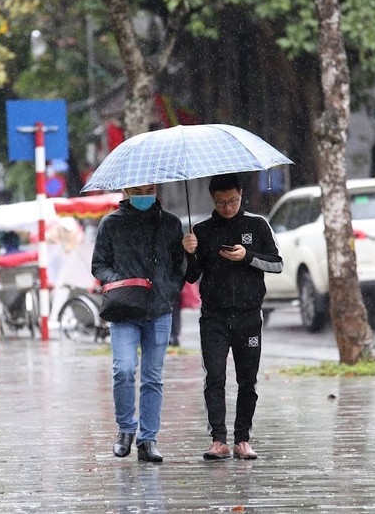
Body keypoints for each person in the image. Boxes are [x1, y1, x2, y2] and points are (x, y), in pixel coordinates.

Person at [182, 173, 283, 461]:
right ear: (212, 199)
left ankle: (243, 439)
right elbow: (191, 278)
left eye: (233, 201)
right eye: (221, 202)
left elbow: (276, 264)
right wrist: (189, 252)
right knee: (214, 377)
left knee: (247, 379)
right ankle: (218, 439)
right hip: (213, 316)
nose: (228, 207)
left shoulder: (257, 225)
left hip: (249, 316)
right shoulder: (202, 229)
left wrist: (247, 255)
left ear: (241, 194)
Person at [91, 184, 185, 463]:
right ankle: (125, 429)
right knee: (123, 369)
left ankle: (148, 439)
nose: (145, 194)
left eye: (150, 189)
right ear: (126, 190)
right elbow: (99, 265)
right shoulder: (111, 224)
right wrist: (121, 282)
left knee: (152, 377)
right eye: (138, 189)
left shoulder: (170, 223)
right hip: (124, 310)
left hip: (159, 310)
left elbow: (180, 267)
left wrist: (170, 285)